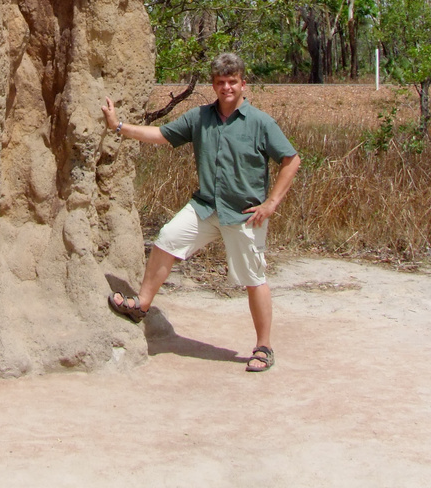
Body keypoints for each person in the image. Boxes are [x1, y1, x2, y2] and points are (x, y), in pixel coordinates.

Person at [101, 52, 301, 373]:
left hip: (244, 214)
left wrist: (271, 203)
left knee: (254, 278)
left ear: (242, 84)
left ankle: (263, 347)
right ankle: (142, 304)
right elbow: (162, 135)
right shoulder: (200, 118)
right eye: (220, 82)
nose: (226, 88)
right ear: (213, 85)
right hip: (206, 206)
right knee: (166, 238)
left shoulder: (260, 123)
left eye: (232, 82)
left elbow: (292, 160)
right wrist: (119, 126)